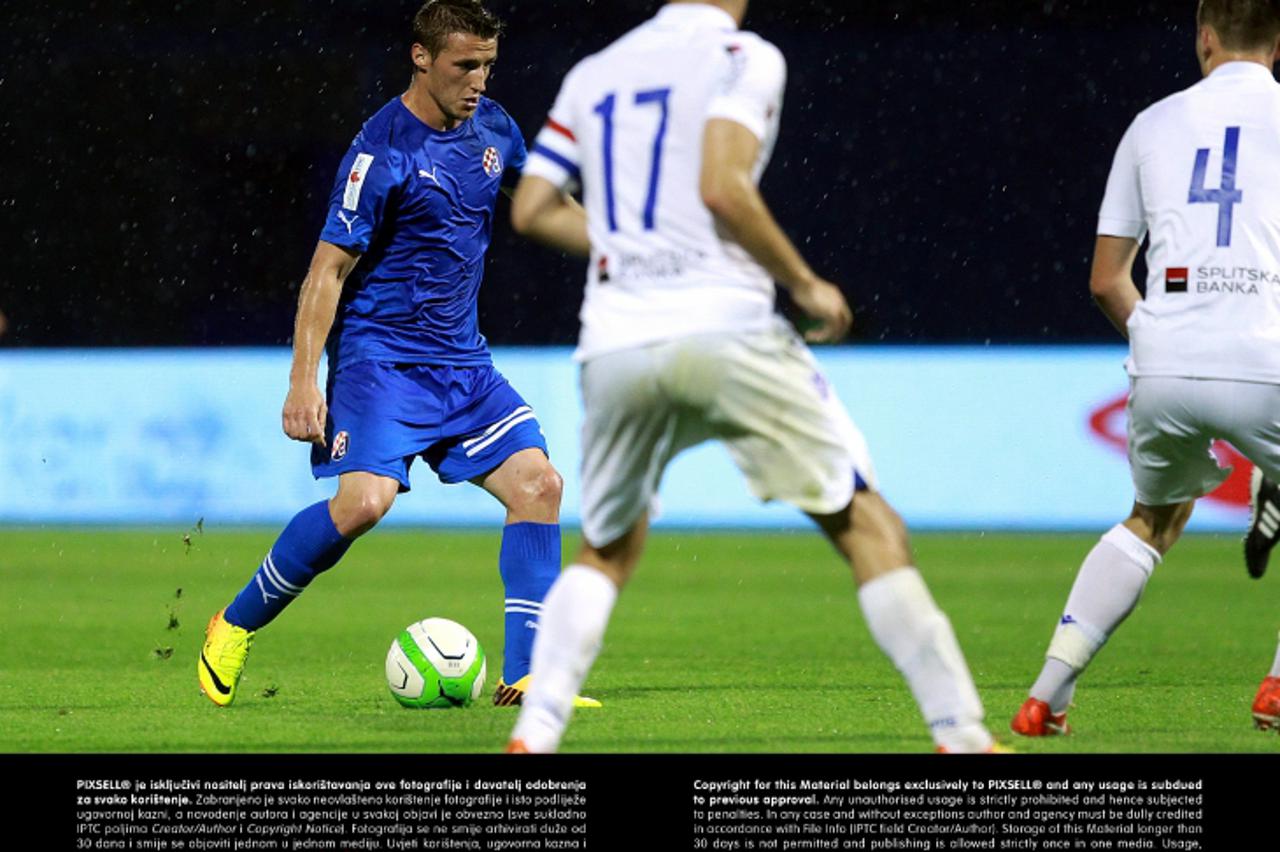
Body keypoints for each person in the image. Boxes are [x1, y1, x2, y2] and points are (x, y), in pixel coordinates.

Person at [502, 0, 999, 754]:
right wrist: (804, 283)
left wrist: (630, 246)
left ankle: (535, 736)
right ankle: (963, 737)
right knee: (863, 522)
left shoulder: (594, 72)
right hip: (725, 326)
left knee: (606, 550)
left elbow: (533, 208)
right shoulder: (744, 56)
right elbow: (723, 187)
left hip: (616, 340)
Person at [198, 0, 596, 710]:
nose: (478, 81)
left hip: (464, 366)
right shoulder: (380, 152)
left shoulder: (495, 129)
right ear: (421, 58)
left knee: (541, 486)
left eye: (488, 66)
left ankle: (528, 679)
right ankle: (233, 622)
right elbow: (327, 272)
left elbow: (542, 203)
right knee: (363, 504)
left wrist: (620, 242)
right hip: (380, 364)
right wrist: (303, 382)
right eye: (464, 65)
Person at [1012, 0, 1280, 737]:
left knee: (1151, 522)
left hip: (1162, 359)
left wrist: (1170, 338)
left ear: (1204, 35)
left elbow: (1105, 279)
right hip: (1266, 353)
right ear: (1279, 42)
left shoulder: (1152, 123)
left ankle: (1045, 697)